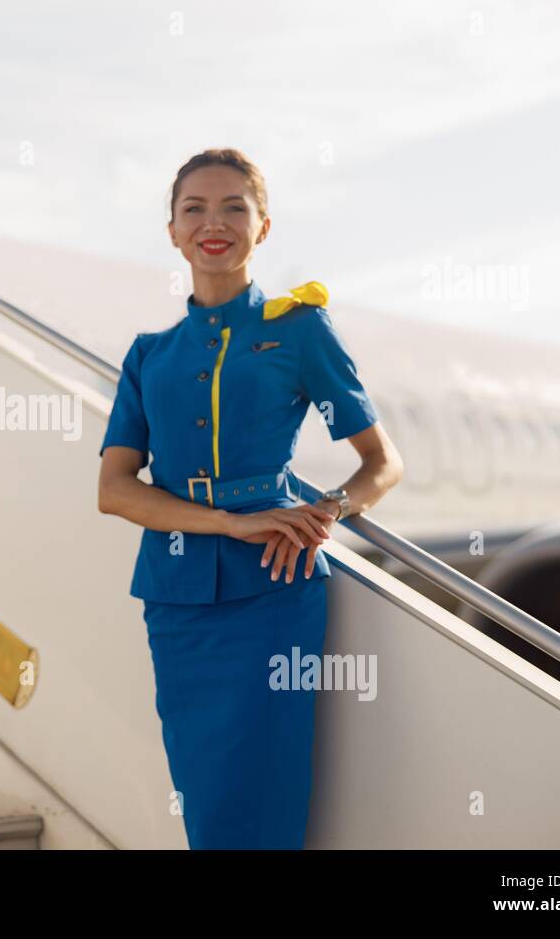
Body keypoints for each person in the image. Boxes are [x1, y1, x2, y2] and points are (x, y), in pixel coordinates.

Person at [97, 148, 404, 849]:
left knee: (265, 784)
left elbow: (382, 463)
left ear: (262, 227)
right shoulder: (149, 355)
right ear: (173, 231)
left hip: (275, 585)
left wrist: (329, 509)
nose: (214, 223)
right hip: (176, 598)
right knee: (204, 794)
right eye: (195, 209)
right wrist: (226, 523)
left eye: (234, 207)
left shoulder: (298, 328)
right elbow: (114, 491)